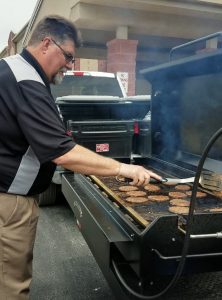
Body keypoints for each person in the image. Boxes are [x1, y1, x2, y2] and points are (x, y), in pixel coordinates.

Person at [0, 15, 161, 299]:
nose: (70, 65)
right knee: (11, 285)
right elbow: (61, 151)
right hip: (8, 201)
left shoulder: (13, 70)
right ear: (47, 44)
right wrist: (124, 168)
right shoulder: (26, 79)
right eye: (69, 56)